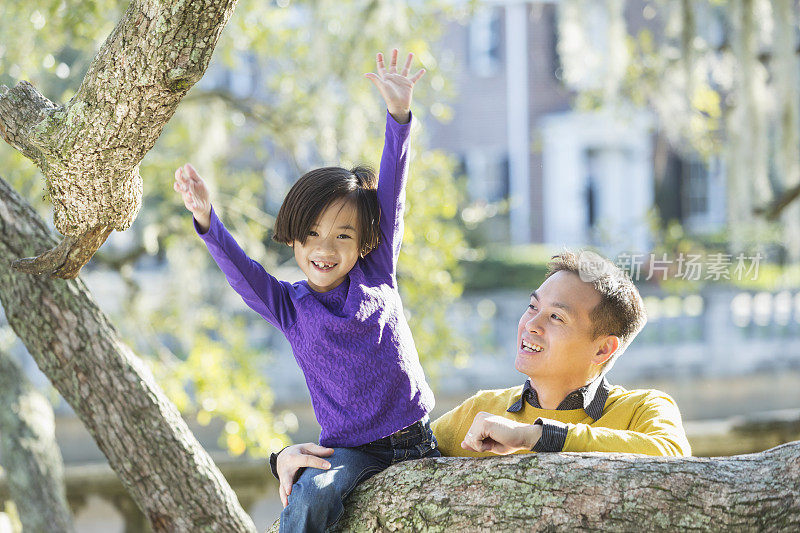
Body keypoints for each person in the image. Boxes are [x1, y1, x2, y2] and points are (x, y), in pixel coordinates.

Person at [173, 49, 440, 533]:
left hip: (418, 440)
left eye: (342, 236)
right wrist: (207, 219)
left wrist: (398, 117)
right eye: (312, 234)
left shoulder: (376, 272)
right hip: (350, 452)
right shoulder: (291, 306)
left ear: (364, 243)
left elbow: (393, 193)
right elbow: (242, 272)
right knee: (312, 494)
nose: (325, 248)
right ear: (293, 237)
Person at [275, 251, 691, 493]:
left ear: (603, 348)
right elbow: (382, 461)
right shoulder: (481, 411)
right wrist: (284, 459)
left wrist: (538, 435)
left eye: (557, 318)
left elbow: (674, 460)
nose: (531, 324)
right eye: (532, 307)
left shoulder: (644, 408)